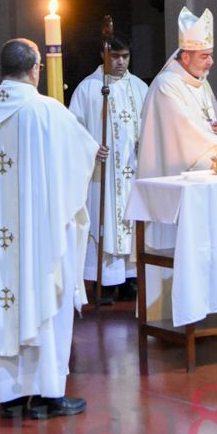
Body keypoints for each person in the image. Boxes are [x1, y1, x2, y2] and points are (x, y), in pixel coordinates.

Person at [0, 38, 98, 420]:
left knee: (2, 303)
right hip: (39, 240)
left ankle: (11, 398)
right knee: (46, 304)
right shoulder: (48, 112)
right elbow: (81, 158)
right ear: (35, 70)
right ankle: (49, 395)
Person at [136, 7, 217, 249]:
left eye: (210, 55)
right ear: (185, 57)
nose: (211, 62)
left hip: (204, 181)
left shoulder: (201, 83)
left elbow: (210, 123)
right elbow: (185, 134)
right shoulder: (166, 86)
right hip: (175, 182)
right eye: (204, 56)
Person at [68, 35, 148, 304]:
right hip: (102, 174)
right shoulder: (88, 89)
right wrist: (90, 149)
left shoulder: (140, 88)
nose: (121, 62)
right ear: (103, 55)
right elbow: (73, 130)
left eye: (125, 56)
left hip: (132, 171)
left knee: (131, 221)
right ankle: (103, 281)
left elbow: (151, 124)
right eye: (115, 56)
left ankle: (130, 279)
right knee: (105, 223)